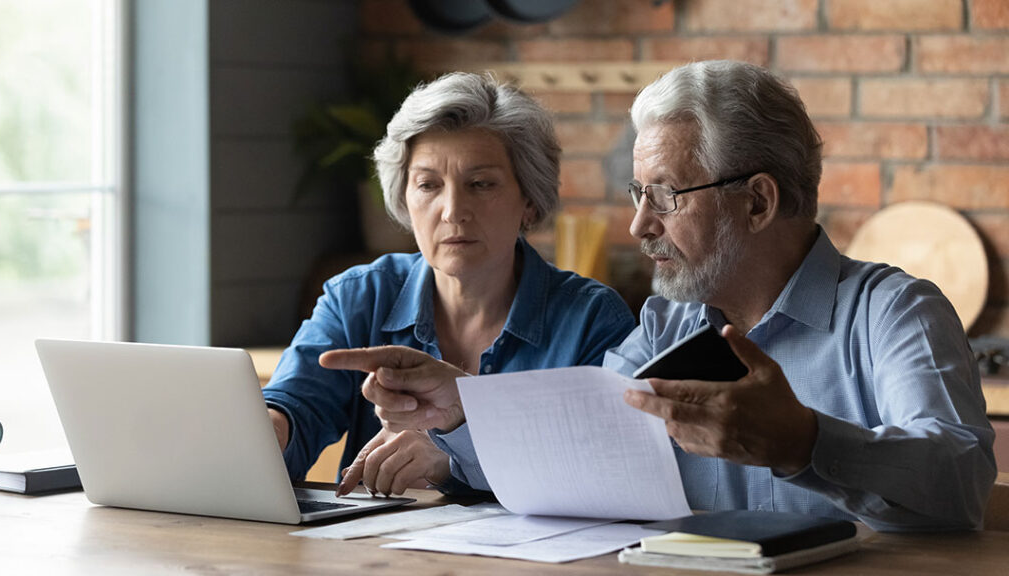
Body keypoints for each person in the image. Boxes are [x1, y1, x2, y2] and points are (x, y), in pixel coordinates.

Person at [351, 60, 996, 532]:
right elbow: (576, 450)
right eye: (638, 195)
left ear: (758, 201)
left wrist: (804, 443)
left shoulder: (893, 313)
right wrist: (465, 411)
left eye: (666, 196)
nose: (639, 226)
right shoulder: (666, 326)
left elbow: (961, 484)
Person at [261, 72, 636, 496]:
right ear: (404, 198)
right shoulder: (359, 297)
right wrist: (270, 433)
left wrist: (455, 458)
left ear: (529, 201)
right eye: (428, 185)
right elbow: (295, 406)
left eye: (481, 184)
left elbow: (605, 469)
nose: (453, 210)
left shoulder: (592, 320)